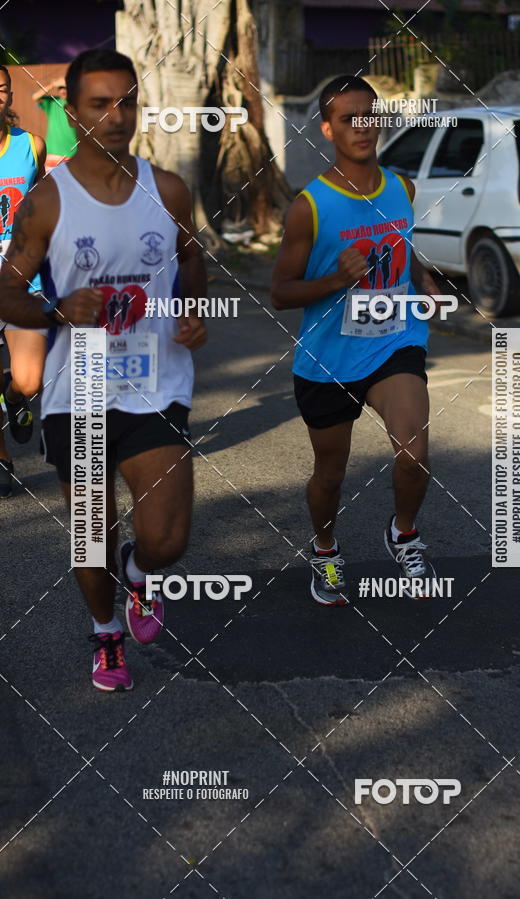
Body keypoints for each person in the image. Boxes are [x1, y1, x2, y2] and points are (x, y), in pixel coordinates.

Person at [0, 49, 207, 690]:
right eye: (99, 104)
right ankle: (106, 632)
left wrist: (194, 312)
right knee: (89, 533)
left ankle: (140, 575)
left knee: (167, 540)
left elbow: (193, 265)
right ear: (74, 109)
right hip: (79, 387)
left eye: (127, 102)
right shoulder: (46, 201)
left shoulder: (168, 189)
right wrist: (54, 307)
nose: (116, 118)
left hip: (155, 382)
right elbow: (5, 289)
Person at [272, 75, 441, 606]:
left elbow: (402, 244)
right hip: (328, 358)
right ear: (327, 128)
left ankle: (404, 534)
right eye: (349, 118)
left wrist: (423, 279)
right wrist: (334, 280)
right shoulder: (310, 205)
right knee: (331, 473)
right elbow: (280, 292)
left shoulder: (402, 188)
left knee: (414, 451)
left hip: (394, 341)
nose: (362, 128)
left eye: (370, 115)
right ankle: (325, 551)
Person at [0, 64, 47, 498]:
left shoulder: (30, 145)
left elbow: (46, 206)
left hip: (21, 278)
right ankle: (2, 458)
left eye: (1, 88)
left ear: (10, 95)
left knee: (29, 379)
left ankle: (13, 399)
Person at [32, 76, 77, 168]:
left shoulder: (78, 103)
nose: (62, 91)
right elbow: (35, 96)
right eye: (60, 88)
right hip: (53, 154)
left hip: (73, 154)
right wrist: (52, 85)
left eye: (65, 88)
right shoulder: (53, 102)